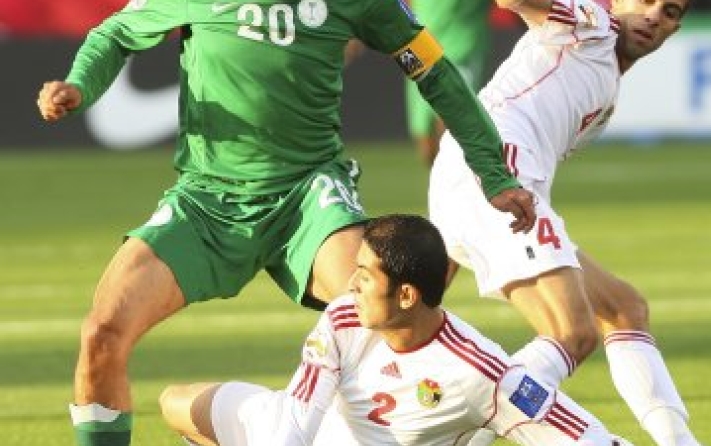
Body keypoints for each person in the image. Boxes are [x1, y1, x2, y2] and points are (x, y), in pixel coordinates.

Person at [35, 1, 538, 445]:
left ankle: (488, 404)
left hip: (308, 195)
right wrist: (79, 85)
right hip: (207, 200)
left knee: (388, 313)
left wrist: (494, 173)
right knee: (102, 332)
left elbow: (435, 72)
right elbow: (115, 34)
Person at [428, 0, 702, 445]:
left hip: (488, 188)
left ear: (675, 30)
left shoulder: (605, 87)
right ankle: (453, 435)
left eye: (669, 12)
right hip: (495, 181)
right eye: (645, 1)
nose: (653, 16)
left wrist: (447, 244)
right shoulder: (591, 22)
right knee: (571, 333)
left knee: (624, 309)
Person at [159, 214, 631, 446]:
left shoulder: (478, 371)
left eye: (366, 275)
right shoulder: (344, 318)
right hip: (307, 432)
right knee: (175, 403)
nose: (351, 284)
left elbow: (579, 434)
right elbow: (295, 422)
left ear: (406, 295)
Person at [403, 0, 492, 166]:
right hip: (418, 45)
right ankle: (443, 177)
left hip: (461, 46)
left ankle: (458, 173)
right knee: (425, 141)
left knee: (450, 119)